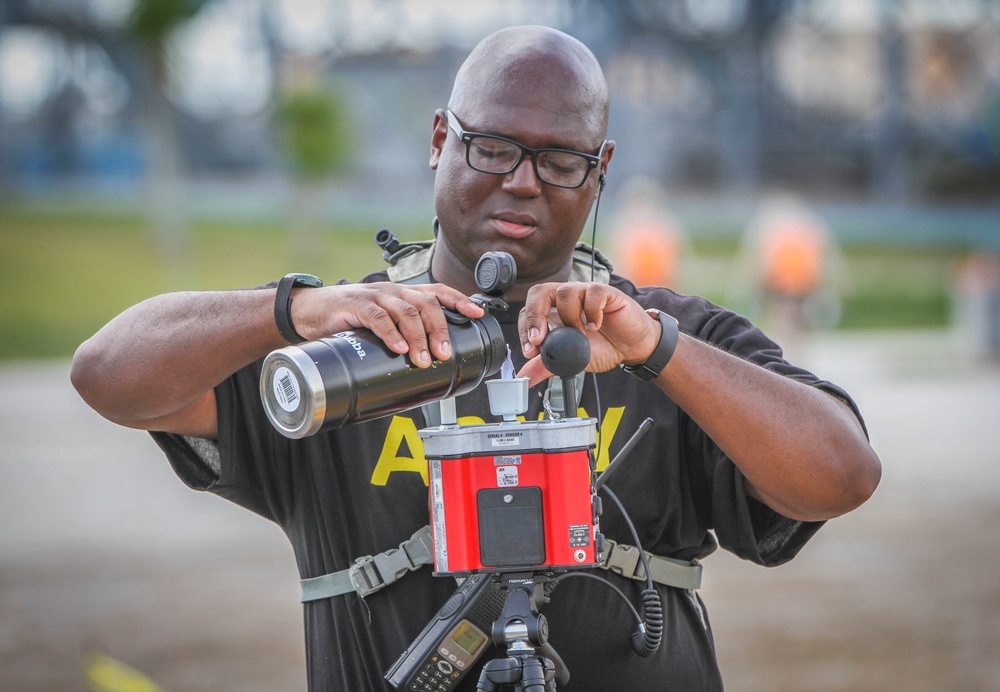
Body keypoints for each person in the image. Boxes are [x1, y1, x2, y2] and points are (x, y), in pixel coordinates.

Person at [71, 25, 881, 691]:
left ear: (599, 175)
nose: (524, 183)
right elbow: (105, 374)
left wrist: (657, 349)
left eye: (561, 161)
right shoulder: (340, 340)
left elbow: (843, 475)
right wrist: (295, 309)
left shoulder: (669, 339)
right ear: (439, 140)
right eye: (493, 147)